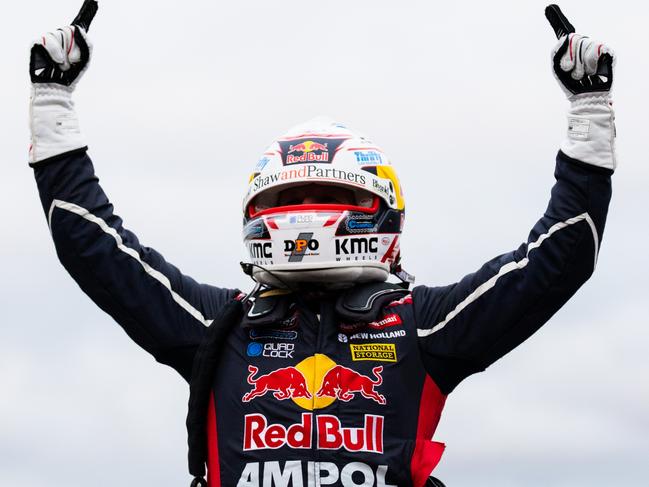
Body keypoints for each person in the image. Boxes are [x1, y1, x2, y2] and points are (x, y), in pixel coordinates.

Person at [28, 4, 616, 487]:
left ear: (381, 210)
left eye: (323, 194)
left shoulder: (421, 327)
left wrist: (589, 113)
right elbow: (93, 246)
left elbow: (557, 259)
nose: (305, 215)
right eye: (289, 199)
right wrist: (53, 105)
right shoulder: (221, 326)